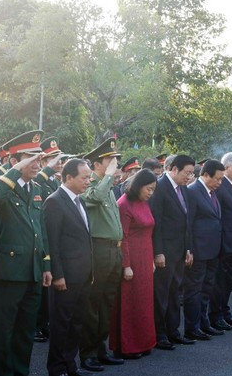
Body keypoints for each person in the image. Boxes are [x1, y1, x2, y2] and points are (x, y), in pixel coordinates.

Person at [0, 131, 53, 376]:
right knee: (1, 332)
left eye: (39, 159)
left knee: (24, 332)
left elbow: (41, 231)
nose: (37, 164)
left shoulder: (36, 188)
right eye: (30, 159)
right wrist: (14, 171)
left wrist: (46, 265)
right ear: (14, 161)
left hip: (32, 271)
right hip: (7, 272)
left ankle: (19, 371)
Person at [43, 158, 93, 376]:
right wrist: (57, 275)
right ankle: (57, 368)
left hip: (83, 274)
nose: (88, 181)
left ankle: (70, 365)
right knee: (61, 325)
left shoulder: (79, 201)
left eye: (89, 177)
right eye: (84, 177)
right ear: (69, 177)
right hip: (65, 276)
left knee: (76, 323)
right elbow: (52, 242)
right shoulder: (55, 201)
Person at [79, 138, 124, 372]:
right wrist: (108, 176)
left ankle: (100, 350)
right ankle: (87, 353)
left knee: (107, 302)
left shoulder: (108, 185)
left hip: (114, 250)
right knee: (93, 304)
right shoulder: (92, 184)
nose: (114, 165)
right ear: (97, 164)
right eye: (110, 160)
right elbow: (94, 198)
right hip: (99, 249)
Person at [148, 154, 196, 350]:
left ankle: (173, 331)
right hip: (165, 253)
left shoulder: (183, 188)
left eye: (192, 173)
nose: (189, 177)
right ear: (174, 169)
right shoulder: (159, 188)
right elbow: (156, 223)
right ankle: (159, 334)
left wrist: (188, 248)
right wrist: (158, 252)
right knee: (161, 294)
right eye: (187, 173)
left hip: (180, 252)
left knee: (175, 293)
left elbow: (187, 222)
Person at [109, 169, 157, 358]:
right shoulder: (124, 204)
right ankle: (127, 346)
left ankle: (144, 342)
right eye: (148, 189)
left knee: (144, 302)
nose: (151, 193)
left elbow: (149, 232)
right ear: (138, 186)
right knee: (130, 302)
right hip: (131, 259)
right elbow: (123, 237)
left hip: (145, 257)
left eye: (153, 189)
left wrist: (151, 259)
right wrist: (126, 265)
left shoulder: (143, 202)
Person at [182, 159, 225, 340]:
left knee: (207, 288)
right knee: (194, 290)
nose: (220, 182)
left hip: (212, 250)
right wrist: (189, 249)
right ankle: (192, 327)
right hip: (198, 251)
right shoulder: (192, 191)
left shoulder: (212, 192)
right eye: (217, 178)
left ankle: (203, 322)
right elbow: (188, 224)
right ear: (206, 175)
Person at [209, 153, 232, 331]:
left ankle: (225, 313)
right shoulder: (220, 185)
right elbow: (218, 216)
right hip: (224, 243)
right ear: (226, 167)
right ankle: (216, 316)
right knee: (220, 283)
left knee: (228, 282)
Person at [33, 136, 65, 344]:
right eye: (53, 159)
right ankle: (37, 325)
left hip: (52, 236)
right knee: (40, 287)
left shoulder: (54, 181)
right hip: (40, 237)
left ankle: (44, 322)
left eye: (59, 159)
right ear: (43, 161)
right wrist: (47, 169)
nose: (58, 163)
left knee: (48, 286)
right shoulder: (40, 180)